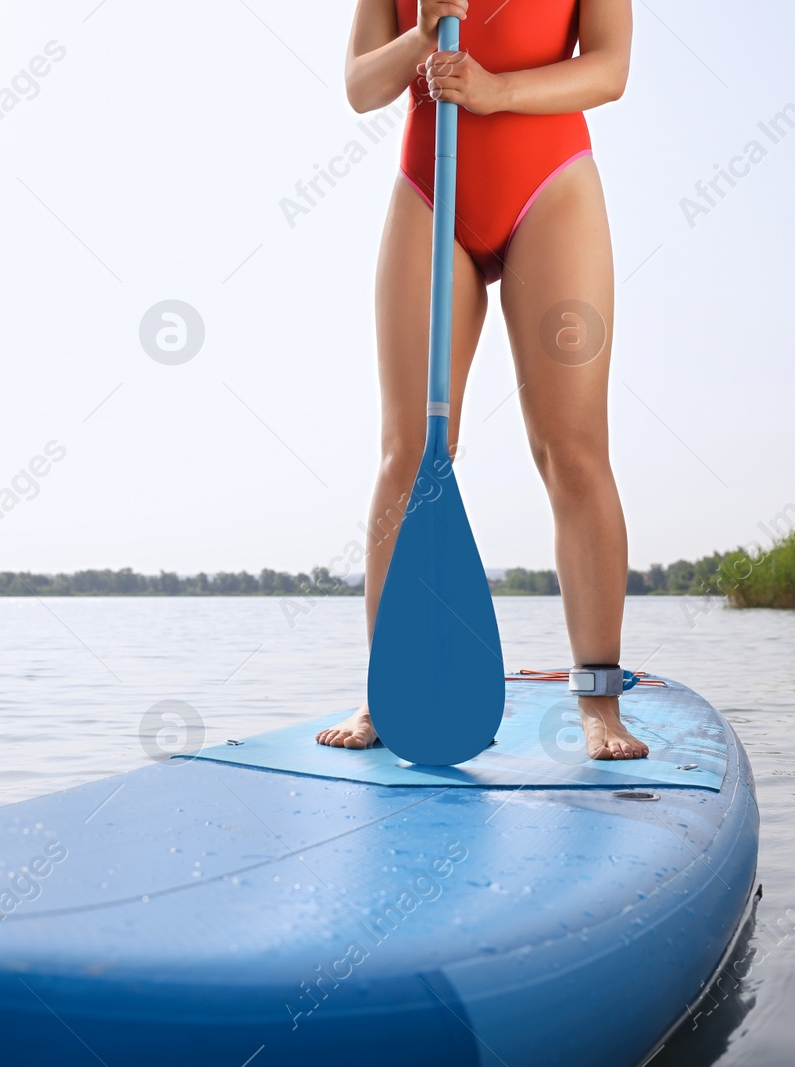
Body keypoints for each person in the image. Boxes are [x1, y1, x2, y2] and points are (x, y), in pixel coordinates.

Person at [318, 0, 645, 760]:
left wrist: (498, 93)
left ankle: (599, 703)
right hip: (430, 192)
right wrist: (421, 37)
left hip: (550, 189)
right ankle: (385, 694)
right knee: (409, 451)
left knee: (571, 451)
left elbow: (611, 68)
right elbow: (362, 86)